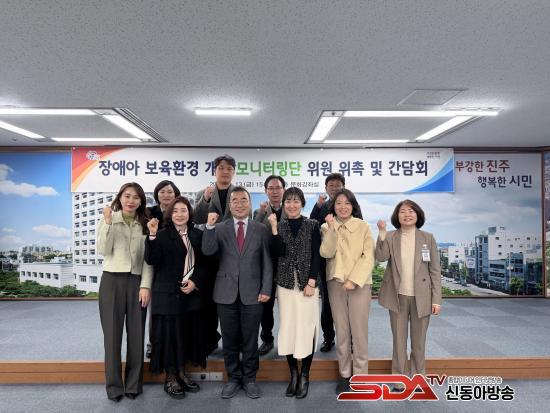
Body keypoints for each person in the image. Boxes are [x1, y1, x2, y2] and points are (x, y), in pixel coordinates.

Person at [202, 187, 272, 399]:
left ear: (250, 204)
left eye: (244, 200)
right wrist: (209, 227)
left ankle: (250, 379)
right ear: (229, 205)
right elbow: (207, 250)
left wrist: (266, 288)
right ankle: (233, 378)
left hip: (254, 293)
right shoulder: (219, 228)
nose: (239, 204)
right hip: (225, 292)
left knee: (250, 340)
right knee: (230, 340)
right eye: (235, 201)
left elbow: (267, 262)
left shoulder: (261, 229)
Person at [145, 196, 207, 399]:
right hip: (167, 295)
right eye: (175, 211)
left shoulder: (198, 235)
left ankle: (182, 373)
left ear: (190, 213)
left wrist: (195, 282)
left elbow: (206, 264)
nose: (180, 214)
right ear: (170, 214)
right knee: (169, 336)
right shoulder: (161, 235)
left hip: (190, 294)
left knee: (186, 335)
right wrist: (151, 235)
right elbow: (152, 260)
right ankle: (170, 377)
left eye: (184, 210)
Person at [375, 199, 442, 384]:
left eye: (411, 211)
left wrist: (436, 299)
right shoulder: (390, 236)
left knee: (419, 343)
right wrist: (381, 233)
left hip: (423, 297)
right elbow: (381, 257)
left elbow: (435, 270)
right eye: (403, 211)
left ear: (417, 215)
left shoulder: (428, 238)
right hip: (397, 296)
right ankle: (399, 378)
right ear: (397, 216)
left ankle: (418, 377)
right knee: (399, 341)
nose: (407, 215)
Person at [97, 182, 152, 402]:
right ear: (120, 197)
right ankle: (113, 387)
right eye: (127, 196)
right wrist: (108, 222)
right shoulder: (109, 219)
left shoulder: (145, 224)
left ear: (141, 201)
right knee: (112, 338)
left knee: (137, 337)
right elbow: (102, 249)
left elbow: (148, 259)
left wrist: (145, 285)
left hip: (137, 282)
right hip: (111, 281)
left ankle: (133, 385)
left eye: (136, 197)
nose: (131, 201)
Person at [319, 189, 375, 394]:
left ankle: (361, 376)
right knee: (342, 331)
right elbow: (326, 252)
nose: (343, 207)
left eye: (347, 203)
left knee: (359, 332)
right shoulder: (326, 226)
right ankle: (345, 375)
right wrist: (332, 229)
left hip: (359, 284)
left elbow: (368, 256)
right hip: (335, 283)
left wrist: (354, 280)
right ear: (333, 206)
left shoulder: (363, 226)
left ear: (353, 206)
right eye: (338, 203)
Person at [268, 187, 320, 399]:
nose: (291, 205)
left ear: (302, 203)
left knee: (307, 329)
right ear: (284, 204)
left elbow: (317, 255)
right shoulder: (278, 225)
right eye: (288, 201)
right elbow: (277, 252)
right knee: (288, 328)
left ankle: (305, 375)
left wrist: (312, 281)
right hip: (285, 285)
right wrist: (273, 228)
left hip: (308, 285)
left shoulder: (313, 225)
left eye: (296, 201)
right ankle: (294, 375)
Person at [310, 173, 363, 352]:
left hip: (349, 262)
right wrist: (317, 206)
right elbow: (313, 227)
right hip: (328, 262)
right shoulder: (322, 206)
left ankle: (352, 340)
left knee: (351, 304)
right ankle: (328, 338)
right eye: (331, 185)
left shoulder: (352, 205)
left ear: (344, 187)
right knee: (327, 304)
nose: (334, 188)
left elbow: (359, 229)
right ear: (326, 188)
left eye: (338, 185)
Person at [194, 154, 236, 353]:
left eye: (229, 168)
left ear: (233, 172)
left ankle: (233, 342)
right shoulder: (204, 193)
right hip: (208, 253)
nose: (225, 172)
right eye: (221, 168)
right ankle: (210, 339)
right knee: (208, 299)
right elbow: (197, 219)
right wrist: (205, 199)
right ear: (214, 171)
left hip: (231, 253)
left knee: (230, 300)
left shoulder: (239, 193)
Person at [145, 180, 181, 359]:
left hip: (176, 265)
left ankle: (176, 343)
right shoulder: (149, 213)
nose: (166, 195)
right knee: (156, 308)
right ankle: (153, 344)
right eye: (162, 192)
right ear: (156, 194)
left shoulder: (179, 211)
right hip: (154, 264)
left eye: (170, 192)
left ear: (176, 195)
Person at [253, 175, 286, 356]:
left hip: (287, 265)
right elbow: (253, 233)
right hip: (267, 266)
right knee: (266, 307)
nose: (274, 191)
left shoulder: (291, 208)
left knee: (289, 307)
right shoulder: (260, 212)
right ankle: (267, 339)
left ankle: (289, 340)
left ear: (283, 190)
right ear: (266, 191)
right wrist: (260, 213)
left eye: (278, 188)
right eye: (271, 188)